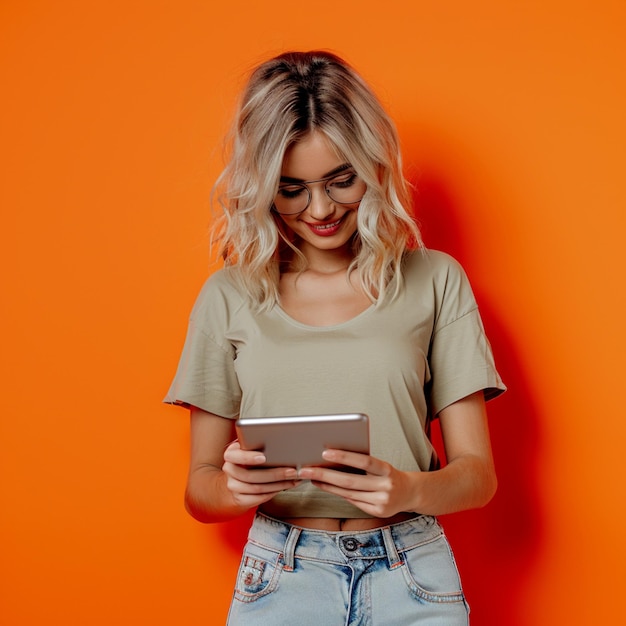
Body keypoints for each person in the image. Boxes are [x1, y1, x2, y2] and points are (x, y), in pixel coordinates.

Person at [165, 50, 506, 625]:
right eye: (292, 188)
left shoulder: (435, 278)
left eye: (340, 180)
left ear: (371, 166)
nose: (320, 209)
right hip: (282, 572)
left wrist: (406, 491)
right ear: (262, 186)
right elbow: (200, 491)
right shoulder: (228, 296)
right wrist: (237, 488)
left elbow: (479, 476)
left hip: (413, 572)